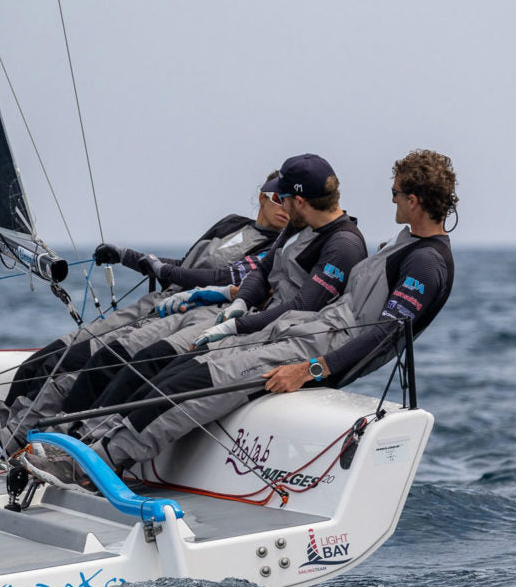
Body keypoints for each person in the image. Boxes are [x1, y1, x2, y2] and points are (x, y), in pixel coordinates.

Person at [24, 149, 457, 487]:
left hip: (316, 349)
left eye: (396, 192)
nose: (391, 198)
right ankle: (85, 445)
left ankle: (98, 464)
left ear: (414, 200)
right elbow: (269, 275)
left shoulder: (425, 263)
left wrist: (311, 370)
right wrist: (238, 311)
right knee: (179, 367)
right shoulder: (404, 242)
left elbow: (384, 334)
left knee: (196, 382)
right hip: (297, 330)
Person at [0, 172, 289, 464]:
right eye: (278, 199)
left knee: (78, 370)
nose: (285, 209)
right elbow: (183, 265)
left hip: (188, 312)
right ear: (262, 197)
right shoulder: (231, 224)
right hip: (156, 302)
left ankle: (13, 445)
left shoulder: (274, 249)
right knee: (43, 360)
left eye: (291, 203)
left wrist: (149, 263)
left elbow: (215, 278)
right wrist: (128, 256)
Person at [41, 153, 368, 433]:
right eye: (274, 197)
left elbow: (303, 305)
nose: (280, 204)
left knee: (159, 369)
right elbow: (260, 273)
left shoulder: (343, 244)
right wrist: (241, 302)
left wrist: (235, 321)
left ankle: (95, 442)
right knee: (124, 360)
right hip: (243, 319)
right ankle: (73, 433)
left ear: (300, 201)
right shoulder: (288, 227)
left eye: (283, 197)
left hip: (273, 336)